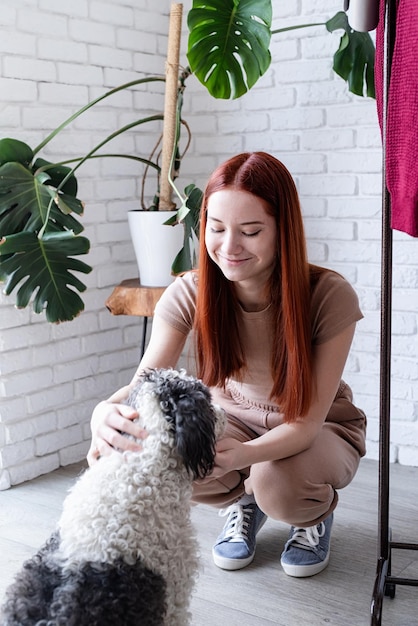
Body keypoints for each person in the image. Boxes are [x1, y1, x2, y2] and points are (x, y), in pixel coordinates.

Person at [88, 152, 366, 578]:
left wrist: (248, 456)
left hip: (320, 427)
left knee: (278, 483)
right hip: (233, 420)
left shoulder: (328, 295)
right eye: (216, 229)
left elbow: (307, 424)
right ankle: (244, 501)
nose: (229, 247)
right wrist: (103, 413)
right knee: (167, 451)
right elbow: (145, 384)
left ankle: (310, 515)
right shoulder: (190, 292)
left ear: (282, 231)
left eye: (250, 231)